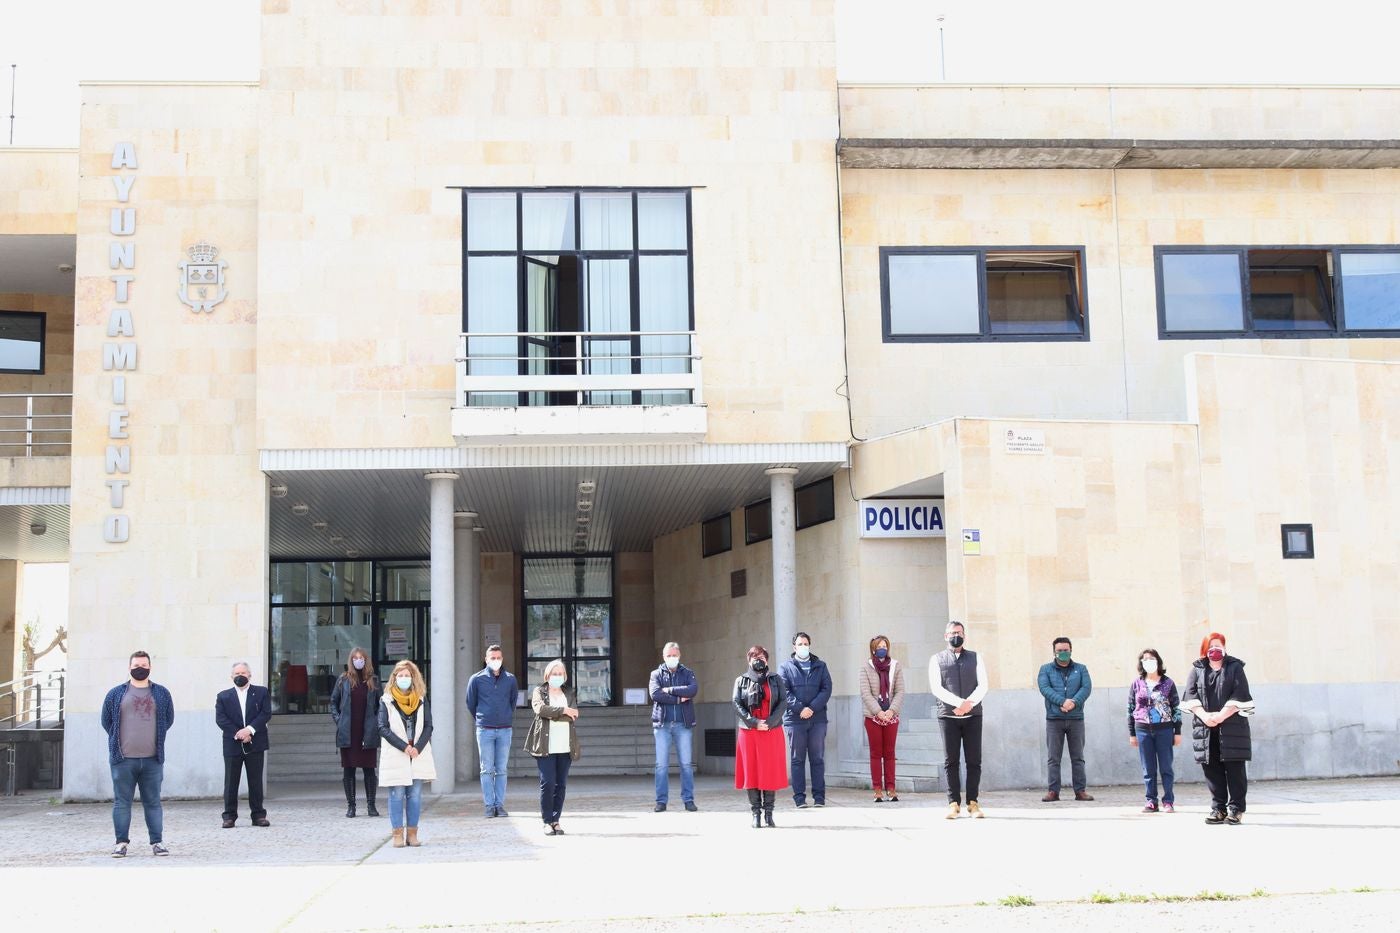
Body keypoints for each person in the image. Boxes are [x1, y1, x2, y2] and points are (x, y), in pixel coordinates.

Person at [100, 650, 174, 857]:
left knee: (153, 802)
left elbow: (168, 720)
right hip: (122, 759)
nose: (140, 669)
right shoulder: (116, 693)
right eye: (136, 666)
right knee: (122, 802)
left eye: (143, 665)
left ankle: (157, 843)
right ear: (129, 667)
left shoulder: (161, 693)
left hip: (153, 759)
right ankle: (120, 844)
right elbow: (107, 722)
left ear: (150, 667)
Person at [1183, 632, 1254, 825]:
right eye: (1211, 646)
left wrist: (1221, 716)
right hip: (1205, 728)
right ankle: (1218, 808)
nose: (1215, 649)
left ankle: (1236, 809)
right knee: (1212, 770)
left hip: (1232, 727)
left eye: (1219, 645)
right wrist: (1206, 716)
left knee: (1235, 770)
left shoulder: (1235, 667)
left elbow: (1241, 694)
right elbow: (1190, 696)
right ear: (1205, 649)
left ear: (1224, 647)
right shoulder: (1197, 669)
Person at [929, 621, 987, 819]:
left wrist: (968, 705)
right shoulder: (936, 659)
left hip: (973, 716)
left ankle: (973, 803)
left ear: (965, 635)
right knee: (951, 761)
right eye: (953, 633)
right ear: (946, 636)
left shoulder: (976, 657)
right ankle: (953, 803)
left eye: (959, 632)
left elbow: (983, 685)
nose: (956, 635)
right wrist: (959, 703)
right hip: (948, 716)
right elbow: (937, 688)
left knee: (974, 761)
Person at [377, 659, 436, 848]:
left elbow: (428, 725)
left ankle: (412, 834)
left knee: (415, 795)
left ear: (413, 678)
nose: (404, 678)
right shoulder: (386, 700)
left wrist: (417, 747)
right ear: (394, 678)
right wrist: (404, 746)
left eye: (407, 676)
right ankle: (397, 835)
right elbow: (382, 727)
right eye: (400, 675)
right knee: (396, 794)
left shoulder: (420, 698)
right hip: (397, 752)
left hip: (417, 753)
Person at [733, 645, 788, 828]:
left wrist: (770, 722)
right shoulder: (741, 680)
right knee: (753, 772)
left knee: (769, 772)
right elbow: (737, 703)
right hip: (749, 732)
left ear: (767, 660)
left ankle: (769, 813)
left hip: (771, 731)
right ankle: (755, 813)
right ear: (748, 660)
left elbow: (783, 702)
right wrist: (754, 722)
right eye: (755, 657)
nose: (759, 660)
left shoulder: (775, 679)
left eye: (762, 657)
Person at [524, 659, 580, 836]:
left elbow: (574, 715)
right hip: (545, 745)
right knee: (547, 783)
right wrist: (563, 711)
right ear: (547, 675)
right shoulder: (539, 691)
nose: (557, 676)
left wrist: (557, 713)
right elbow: (540, 710)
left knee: (560, 785)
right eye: (554, 673)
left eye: (560, 673)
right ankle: (546, 821)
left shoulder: (569, 692)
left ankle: (556, 820)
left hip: (565, 745)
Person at [215, 661, 272, 828]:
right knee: (231, 782)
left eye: (243, 673)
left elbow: (265, 713)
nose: (240, 676)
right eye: (237, 674)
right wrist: (239, 733)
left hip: (255, 742)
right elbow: (221, 719)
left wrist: (249, 730)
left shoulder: (261, 692)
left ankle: (258, 815)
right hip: (232, 744)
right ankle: (229, 816)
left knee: (255, 781)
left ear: (250, 675)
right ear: (231, 676)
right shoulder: (223, 696)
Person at [1036, 636, 1094, 802]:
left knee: (1078, 757)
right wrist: (1062, 702)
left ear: (1071, 650)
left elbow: (1086, 687)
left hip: (1076, 718)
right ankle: (1053, 791)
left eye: (1066, 650)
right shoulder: (1045, 669)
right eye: (1059, 651)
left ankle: (1080, 791)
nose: (1063, 653)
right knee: (1054, 758)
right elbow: (1044, 688)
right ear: (1054, 652)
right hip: (1054, 719)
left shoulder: (1081, 669)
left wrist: (1073, 702)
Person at [779, 631, 832, 808]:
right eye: (800, 644)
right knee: (797, 759)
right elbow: (784, 692)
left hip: (817, 719)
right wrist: (801, 708)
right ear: (794, 647)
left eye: (806, 644)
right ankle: (799, 798)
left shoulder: (820, 666)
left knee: (817, 758)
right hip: (795, 720)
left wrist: (812, 708)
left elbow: (826, 689)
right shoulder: (785, 667)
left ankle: (819, 797)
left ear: (810, 645)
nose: (803, 647)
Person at [466, 644, 519, 818]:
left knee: (502, 769)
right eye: (492, 658)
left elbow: (512, 702)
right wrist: (483, 718)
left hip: (504, 730)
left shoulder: (510, 679)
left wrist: (505, 716)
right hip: (485, 730)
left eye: (498, 658)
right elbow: (470, 703)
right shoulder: (476, 679)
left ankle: (499, 805)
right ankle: (489, 805)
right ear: (486, 660)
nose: (496, 661)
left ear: (502, 659)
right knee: (486, 769)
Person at [1128, 647, 1182, 813]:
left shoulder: (1168, 683)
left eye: (1152, 659)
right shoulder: (1137, 684)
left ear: (1158, 661)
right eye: (1145, 659)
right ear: (1141, 663)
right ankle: (1151, 800)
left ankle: (1168, 801)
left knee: (1166, 767)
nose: (1149, 662)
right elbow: (1130, 708)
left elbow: (1176, 708)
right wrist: (1132, 733)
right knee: (1148, 768)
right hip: (1143, 729)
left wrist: (1177, 731)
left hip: (1164, 729)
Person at [330, 646, 380, 818]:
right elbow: (333, 703)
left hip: (367, 731)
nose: (358, 660)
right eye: (355, 658)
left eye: (361, 657)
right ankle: (351, 806)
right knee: (349, 770)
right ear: (351, 660)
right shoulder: (343, 679)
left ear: (366, 660)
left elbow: (380, 706)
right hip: (348, 732)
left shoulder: (373, 680)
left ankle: (371, 806)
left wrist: (376, 725)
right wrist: (339, 721)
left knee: (369, 769)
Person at [649, 641, 698, 812]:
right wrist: (677, 698)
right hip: (662, 725)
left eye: (674, 655)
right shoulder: (656, 674)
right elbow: (655, 694)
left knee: (686, 764)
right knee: (661, 765)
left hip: (682, 725)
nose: (672, 658)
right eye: (669, 655)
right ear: (663, 657)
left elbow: (692, 690)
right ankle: (661, 801)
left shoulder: (688, 673)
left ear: (679, 655)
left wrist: (669, 690)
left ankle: (688, 799)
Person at [858, 634, 905, 803]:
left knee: (890, 753)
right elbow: (865, 693)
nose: (882, 649)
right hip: (873, 716)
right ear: (873, 649)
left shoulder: (895, 666)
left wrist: (891, 711)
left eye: (884, 646)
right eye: (879, 647)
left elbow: (900, 691)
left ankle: (891, 788)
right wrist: (878, 712)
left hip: (891, 716)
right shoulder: (866, 667)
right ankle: (877, 788)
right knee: (876, 753)